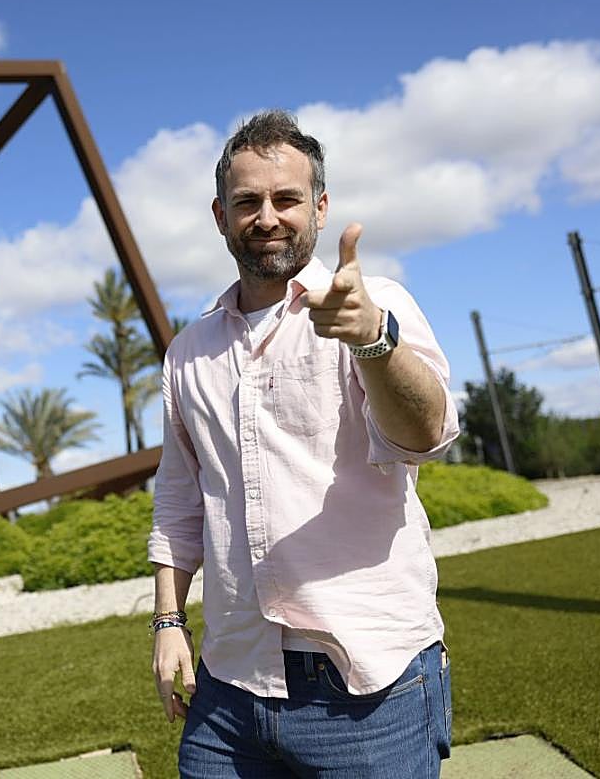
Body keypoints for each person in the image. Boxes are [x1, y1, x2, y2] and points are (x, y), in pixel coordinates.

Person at [148, 110, 459, 778]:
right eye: (247, 201)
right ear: (220, 215)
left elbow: (426, 437)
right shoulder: (188, 353)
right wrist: (167, 623)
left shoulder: (374, 305)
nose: (268, 217)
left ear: (319, 207)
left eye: (287, 199)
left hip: (368, 687)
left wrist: (375, 339)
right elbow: (179, 501)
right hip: (228, 689)